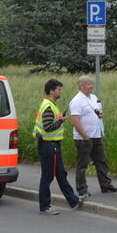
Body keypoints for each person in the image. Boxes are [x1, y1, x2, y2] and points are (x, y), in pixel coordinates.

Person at [34, 78, 86, 215]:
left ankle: (74, 201)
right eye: (59, 89)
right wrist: (60, 121)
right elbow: (48, 127)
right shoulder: (48, 107)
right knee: (47, 177)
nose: (60, 91)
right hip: (49, 145)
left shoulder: (50, 104)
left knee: (61, 174)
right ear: (51, 91)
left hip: (52, 145)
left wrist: (59, 119)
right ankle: (45, 206)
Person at [70, 75, 117, 196]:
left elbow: (98, 111)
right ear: (81, 86)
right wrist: (85, 136)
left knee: (101, 161)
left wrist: (100, 114)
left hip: (97, 135)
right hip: (84, 137)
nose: (91, 86)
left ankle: (106, 185)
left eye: (91, 84)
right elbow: (75, 120)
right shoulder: (77, 100)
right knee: (82, 164)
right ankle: (82, 189)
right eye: (88, 84)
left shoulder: (94, 97)